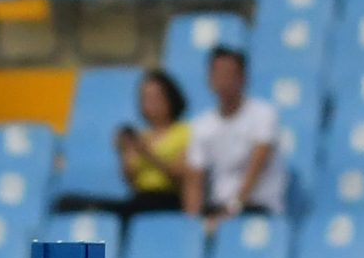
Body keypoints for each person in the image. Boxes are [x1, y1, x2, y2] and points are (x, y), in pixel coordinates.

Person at [53, 68, 190, 221]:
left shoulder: (184, 132)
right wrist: (123, 152)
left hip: (167, 199)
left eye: (155, 97)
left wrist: (148, 154)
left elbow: (180, 176)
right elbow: (131, 180)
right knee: (67, 202)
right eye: (145, 97)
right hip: (140, 199)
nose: (150, 103)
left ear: (170, 97)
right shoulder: (142, 136)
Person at [181, 45, 288, 223]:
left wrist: (230, 212)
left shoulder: (264, 115)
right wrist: (192, 225)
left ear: (243, 79)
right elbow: (194, 180)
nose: (223, 81)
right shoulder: (200, 125)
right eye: (218, 74)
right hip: (217, 207)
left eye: (230, 75)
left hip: (257, 209)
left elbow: (257, 167)